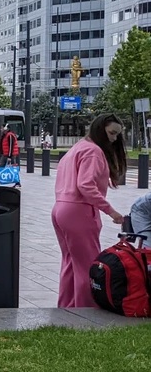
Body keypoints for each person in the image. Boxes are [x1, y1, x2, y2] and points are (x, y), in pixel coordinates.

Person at [51, 113, 126, 309]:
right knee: (87, 266)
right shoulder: (93, 151)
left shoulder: (77, 148)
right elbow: (85, 185)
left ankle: (67, 308)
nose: (114, 138)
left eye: (117, 134)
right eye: (112, 133)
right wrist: (111, 211)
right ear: (101, 129)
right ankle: (87, 311)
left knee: (70, 262)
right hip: (79, 211)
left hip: (61, 209)